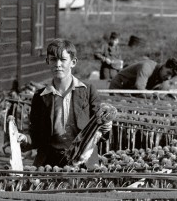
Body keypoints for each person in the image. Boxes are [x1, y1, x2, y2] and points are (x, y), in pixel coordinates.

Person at [17, 38, 112, 167]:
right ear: (47, 62)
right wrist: (24, 139)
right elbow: (36, 135)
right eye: (53, 59)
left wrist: (106, 125)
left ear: (73, 62)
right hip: (50, 161)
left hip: (84, 160)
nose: (58, 64)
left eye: (63, 59)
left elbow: (101, 128)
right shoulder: (40, 97)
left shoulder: (88, 91)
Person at [109, 57, 177, 96]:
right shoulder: (146, 67)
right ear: (163, 66)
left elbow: (162, 93)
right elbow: (139, 87)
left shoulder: (164, 79)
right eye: (168, 73)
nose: (169, 77)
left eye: (171, 76)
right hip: (119, 87)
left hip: (131, 91)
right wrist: (154, 96)